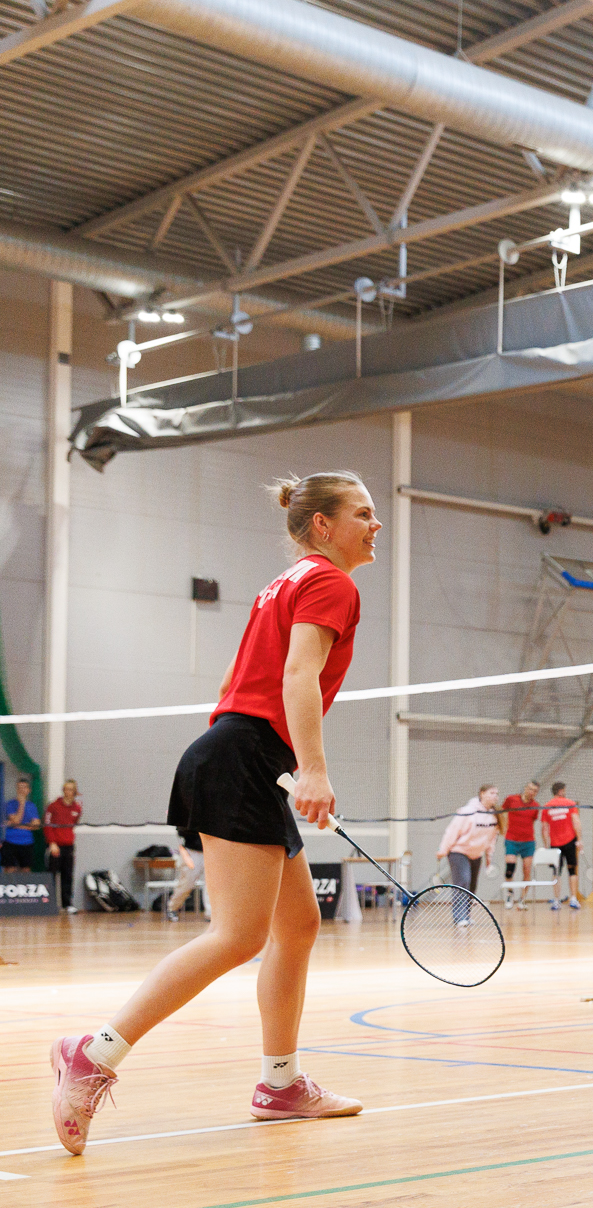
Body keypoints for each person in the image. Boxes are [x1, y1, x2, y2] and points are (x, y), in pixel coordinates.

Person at [48, 470, 379, 1156]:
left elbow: (243, 680)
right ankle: (93, 1053)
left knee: (297, 924)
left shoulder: (282, 584)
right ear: (323, 526)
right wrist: (312, 770)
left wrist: (265, 760)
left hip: (243, 753)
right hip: (247, 757)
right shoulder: (331, 582)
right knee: (237, 935)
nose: (376, 525)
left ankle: (280, 1085)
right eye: (363, 513)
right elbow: (298, 675)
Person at [437, 784, 499, 927]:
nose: (495, 796)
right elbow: (452, 831)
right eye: (491, 793)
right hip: (458, 852)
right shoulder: (467, 812)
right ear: (482, 794)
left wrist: (489, 857)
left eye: (497, 794)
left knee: (472, 885)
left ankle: (466, 915)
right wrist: (443, 849)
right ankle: (459, 917)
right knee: (462, 882)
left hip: (476, 854)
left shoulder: (494, 816)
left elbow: (491, 839)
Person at [500, 780, 541, 908]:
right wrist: (502, 828)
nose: (532, 792)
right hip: (512, 840)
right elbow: (501, 813)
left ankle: (522, 899)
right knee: (510, 868)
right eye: (530, 789)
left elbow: (532, 821)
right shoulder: (511, 799)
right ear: (525, 788)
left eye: (535, 791)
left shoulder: (536, 806)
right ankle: (509, 894)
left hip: (528, 842)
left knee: (527, 871)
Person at [542, 781, 582, 910]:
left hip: (554, 844)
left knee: (556, 872)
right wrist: (579, 840)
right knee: (572, 870)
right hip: (570, 841)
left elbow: (544, 828)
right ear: (561, 791)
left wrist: (546, 846)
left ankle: (556, 900)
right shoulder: (570, 803)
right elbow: (576, 821)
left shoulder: (546, 806)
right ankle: (573, 899)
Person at [46, 778, 81, 913]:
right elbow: (47, 826)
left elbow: (74, 822)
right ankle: (50, 904)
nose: (68, 792)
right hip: (55, 846)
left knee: (67, 875)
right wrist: (52, 843)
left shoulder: (77, 808)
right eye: (66, 789)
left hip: (69, 846)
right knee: (52, 875)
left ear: (75, 792)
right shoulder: (53, 806)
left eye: (71, 789)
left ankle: (67, 904)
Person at [165, 831, 206, 922]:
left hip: (212, 850)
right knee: (187, 883)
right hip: (192, 850)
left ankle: (211, 914)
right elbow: (181, 830)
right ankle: (172, 908)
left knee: (212, 885)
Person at [2, 776, 39, 870]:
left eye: (24, 787)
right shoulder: (10, 804)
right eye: (19, 788)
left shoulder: (32, 806)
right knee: (10, 870)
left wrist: (18, 826)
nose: (21, 790)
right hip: (11, 841)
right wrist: (21, 804)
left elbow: (36, 825)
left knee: (26, 870)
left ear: (29, 790)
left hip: (27, 842)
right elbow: (16, 821)